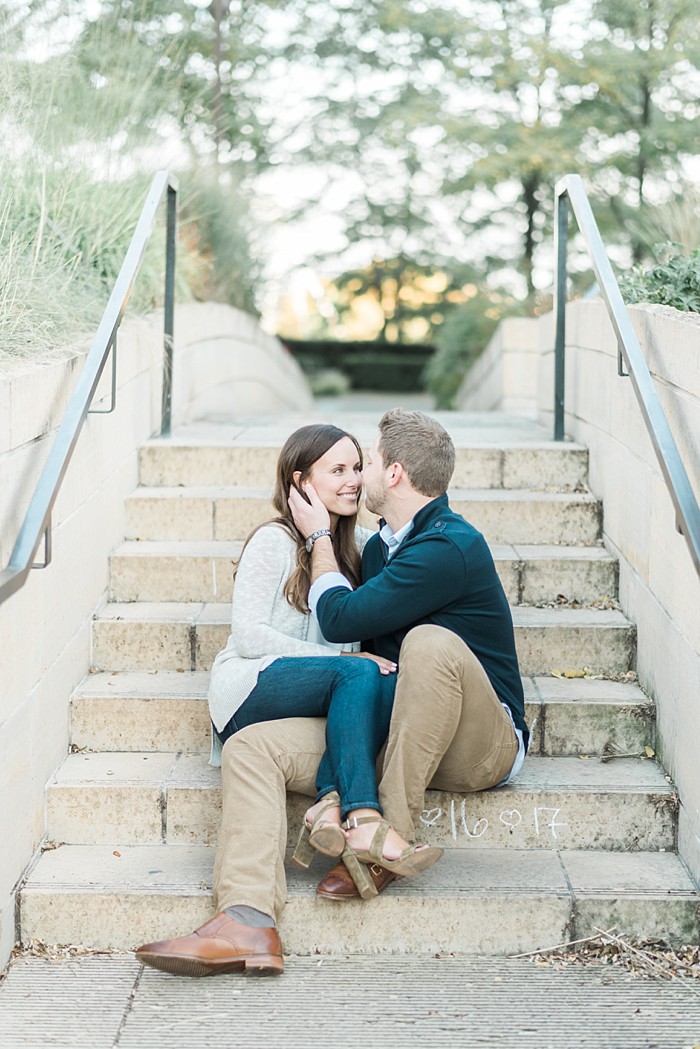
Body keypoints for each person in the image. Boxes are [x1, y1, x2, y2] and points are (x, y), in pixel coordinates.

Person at [135, 422, 442, 978]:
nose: (353, 481)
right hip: (251, 689)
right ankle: (360, 816)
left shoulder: (355, 559)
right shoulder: (273, 541)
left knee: (294, 722)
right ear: (301, 483)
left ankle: (249, 924)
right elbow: (250, 637)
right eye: (337, 470)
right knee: (356, 675)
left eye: (357, 468)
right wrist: (344, 663)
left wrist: (352, 666)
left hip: (307, 714)